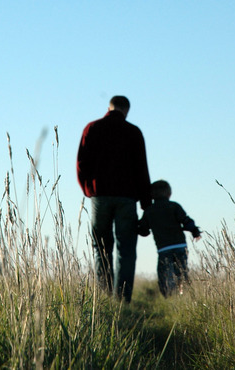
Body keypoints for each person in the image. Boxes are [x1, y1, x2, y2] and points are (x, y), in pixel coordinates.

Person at [77, 95, 151, 303]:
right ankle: (122, 300)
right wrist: (146, 204)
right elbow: (141, 169)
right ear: (126, 110)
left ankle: (105, 297)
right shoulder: (133, 132)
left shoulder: (92, 128)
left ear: (108, 107)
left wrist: (88, 189)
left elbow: (81, 163)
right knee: (126, 249)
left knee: (101, 247)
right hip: (127, 198)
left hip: (99, 196)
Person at [137, 180, 201, 297]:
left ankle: (168, 296)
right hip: (180, 246)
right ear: (169, 193)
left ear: (152, 195)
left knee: (164, 274)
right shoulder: (174, 206)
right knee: (181, 272)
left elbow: (143, 230)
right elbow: (186, 221)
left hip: (163, 249)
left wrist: (137, 226)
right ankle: (184, 294)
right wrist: (195, 231)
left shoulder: (150, 211)